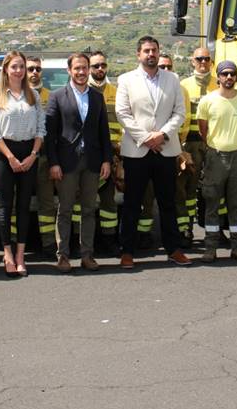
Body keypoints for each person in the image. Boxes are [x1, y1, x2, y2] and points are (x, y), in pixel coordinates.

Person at [115, 36, 191, 269]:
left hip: (166, 150)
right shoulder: (126, 79)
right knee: (132, 203)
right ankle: (127, 252)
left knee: (168, 203)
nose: (151, 54)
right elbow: (122, 113)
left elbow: (179, 112)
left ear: (159, 53)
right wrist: (146, 138)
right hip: (137, 151)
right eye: (146, 50)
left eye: (154, 50)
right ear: (138, 54)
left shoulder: (172, 79)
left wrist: (163, 135)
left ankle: (173, 249)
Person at [0, 51, 45, 277]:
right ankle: (7, 254)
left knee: (24, 206)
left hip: (29, 154)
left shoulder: (33, 95)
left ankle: (20, 255)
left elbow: (40, 129)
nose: (19, 71)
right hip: (4, 154)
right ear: (6, 69)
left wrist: (33, 155)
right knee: (5, 207)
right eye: (14, 66)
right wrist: (10, 157)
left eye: (21, 67)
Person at [46, 53, 114, 273]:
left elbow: (103, 131)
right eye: (77, 68)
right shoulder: (57, 96)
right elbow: (50, 134)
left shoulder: (96, 96)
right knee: (65, 210)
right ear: (69, 71)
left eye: (84, 68)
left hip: (92, 162)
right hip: (66, 163)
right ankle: (63, 256)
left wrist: (107, 159)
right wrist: (54, 163)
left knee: (88, 210)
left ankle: (87, 255)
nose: (81, 72)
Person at [196, 61, 237, 262]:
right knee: (212, 203)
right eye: (225, 74)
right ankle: (210, 248)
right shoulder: (208, 100)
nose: (229, 77)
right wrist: (215, 146)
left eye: (232, 74)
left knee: (236, 203)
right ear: (218, 76)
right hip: (216, 157)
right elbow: (203, 129)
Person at [178, 47, 218, 246]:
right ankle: (187, 229)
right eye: (199, 59)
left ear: (211, 62)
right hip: (191, 143)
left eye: (207, 59)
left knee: (213, 188)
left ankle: (215, 229)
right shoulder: (183, 85)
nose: (203, 62)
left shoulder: (218, 85)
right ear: (192, 61)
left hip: (213, 144)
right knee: (189, 188)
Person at [88, 51, 121, 255]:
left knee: (109, 201)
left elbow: (125, 121)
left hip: (113, 154)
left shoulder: (116, 92)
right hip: (89, 155)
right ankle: (82, 241)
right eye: (96, 66)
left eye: (103, 65)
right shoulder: (82, 91)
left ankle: (109, 240)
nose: (100, 69)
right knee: (83, 201)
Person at [26, 55, 57, 257]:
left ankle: (48, 244)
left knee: (46, 204)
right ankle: (13, 243)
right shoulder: (15, 95)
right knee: (15, 204)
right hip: (20, 160)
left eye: (37, 69)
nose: (34, 72)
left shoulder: (51, 96)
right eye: (30, 69)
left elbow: (56, 130)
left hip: (44, 159)